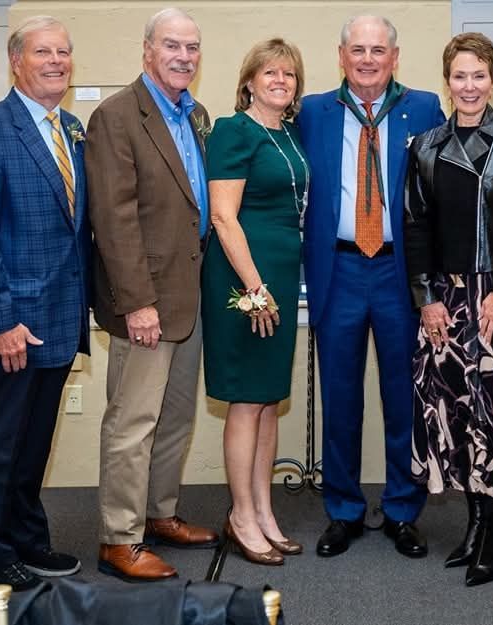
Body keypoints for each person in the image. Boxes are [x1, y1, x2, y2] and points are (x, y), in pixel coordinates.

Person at [0, 15, 89, 591]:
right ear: (16, 61)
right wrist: (1, 321)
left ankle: (29, 541)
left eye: (63, 51)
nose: (55, 60)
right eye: (42, 52)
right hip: (10, 324)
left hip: (59, 320)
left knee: (34, 448)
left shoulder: (73, 128)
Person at [297, 15, 445, 558]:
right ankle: (344, 510)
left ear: (394, 57)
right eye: (356, 50)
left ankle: (403, 510)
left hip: (398, 273)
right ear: (341, 56)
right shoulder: (312, 111)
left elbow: (439, 192)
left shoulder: (424, 107)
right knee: (339, 396)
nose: (366, 59)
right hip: (337, 271)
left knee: (404, 396)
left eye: (377, 50)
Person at [404, 32, 493, 586]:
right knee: (456, 414)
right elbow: (415, 225)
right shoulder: (424, 145)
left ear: (492, 79)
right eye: (460, 76)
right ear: (448, 81)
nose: (469, 86)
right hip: (444, 303)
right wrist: (427, 298)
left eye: (479, 75)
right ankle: (471, 525)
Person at [86, 7, 218, 582]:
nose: (183, 56)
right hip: (146, 302)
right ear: (147, 51)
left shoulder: (196, 115)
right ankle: (119, 538)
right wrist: (137, 301)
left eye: (191, 47)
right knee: (131, 421)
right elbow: (113, 221)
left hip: (188, 300)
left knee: (176, 417)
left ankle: (160, 514)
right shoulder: (116, 116)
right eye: (172, 46)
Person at [201, 38, 308, 567]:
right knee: (246, 398)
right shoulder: (233, 130)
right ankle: (241, 515)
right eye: (270, 72)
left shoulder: (286, 132)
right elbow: (223, 216)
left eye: (289, 75)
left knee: (268, 399)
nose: (280, 81)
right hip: (245, 281)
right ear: (249, 80)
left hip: (281, 279)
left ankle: (264, 510)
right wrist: (255, 286)